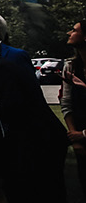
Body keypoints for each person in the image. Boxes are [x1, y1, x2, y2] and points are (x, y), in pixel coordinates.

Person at [0, 26, 66, 201]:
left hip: (41, 137)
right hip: (32, 136)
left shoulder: (0, 68)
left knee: (44, 189)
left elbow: (14, 106)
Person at [63, 20, 86, 199]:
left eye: (74, 30)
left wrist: (83, 134)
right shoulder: (70, 66)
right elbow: (66, 103)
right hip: (79, 133)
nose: (69, 33)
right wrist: (74, 135)